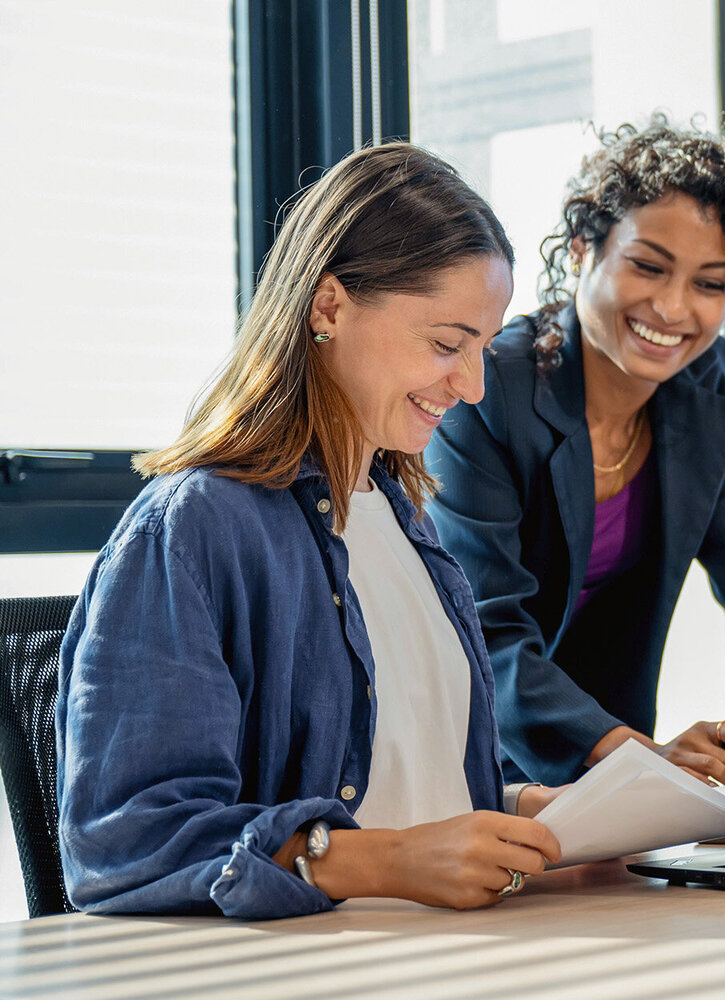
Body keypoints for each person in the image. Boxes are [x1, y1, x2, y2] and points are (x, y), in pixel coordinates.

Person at [59, 144, 563, 918]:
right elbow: (127, 842)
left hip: (455, 957)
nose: (473, 386)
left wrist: (562, 819)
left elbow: (419, 780)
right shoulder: (193, 530)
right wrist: (386, 861)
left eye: (481, 350)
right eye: (444, 343)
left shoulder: (405, 523)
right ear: (327, 307)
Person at [427, 114, 725, 792]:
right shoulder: (489, 392)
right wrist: (639, 757)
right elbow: (487, 630)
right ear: (581, 250)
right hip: (466, 763)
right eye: (648, 267)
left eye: (710, 282)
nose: (672, 308)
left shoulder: (703, 384)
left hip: (605, 777)